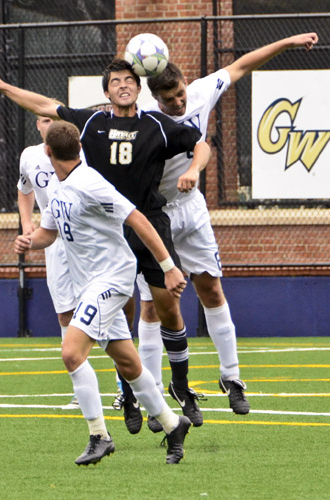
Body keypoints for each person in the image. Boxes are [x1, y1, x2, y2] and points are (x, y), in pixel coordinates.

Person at [0, 59, 209, 432]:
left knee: (168, 308)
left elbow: (200, 145)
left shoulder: (156, 125)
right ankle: (133, 400)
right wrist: (3, 87)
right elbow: (43, 105)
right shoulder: (93, 123)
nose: (123, 85)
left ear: (138, 90)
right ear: (106, 92)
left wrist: (193, 170)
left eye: (129, 81)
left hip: (148, 220)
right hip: (109, 234)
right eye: (115, 81)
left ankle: (181, 388)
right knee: (123, 315)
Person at [127, 32, 318, 420]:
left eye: (180, 94)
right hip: (156, 215)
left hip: (192, 209)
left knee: (211, 288)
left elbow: (244, 63)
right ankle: (151, 394)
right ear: (156, 98)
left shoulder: (201, 91)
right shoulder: (146, 120)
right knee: (152, 306)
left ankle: (231, 378)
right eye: (170, 100)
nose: (179, 103)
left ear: (185, 85)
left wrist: (289, 42)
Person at [14, 120, 191, 465]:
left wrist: (169, 267)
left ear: (47, 151)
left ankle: (99, 435)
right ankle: (173, 424)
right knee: (128, 362)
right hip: (90, 283)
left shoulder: (90, 184)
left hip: (111, 279)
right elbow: (48, 234)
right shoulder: (59, 187)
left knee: (71, 353)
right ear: (79, 147)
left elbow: (138, 219)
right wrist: (28, 240)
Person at [18, 112, 79, 408]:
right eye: (43, 120)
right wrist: (27, 222)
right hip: (54, 241)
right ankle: (79, 390)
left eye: (53, 118)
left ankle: (126, 388)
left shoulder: (82, 155)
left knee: (108, 312)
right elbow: (24, 190)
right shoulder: (29, 156)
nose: (48, 124)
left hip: (87, 241)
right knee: (65, 313)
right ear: (37, 126)